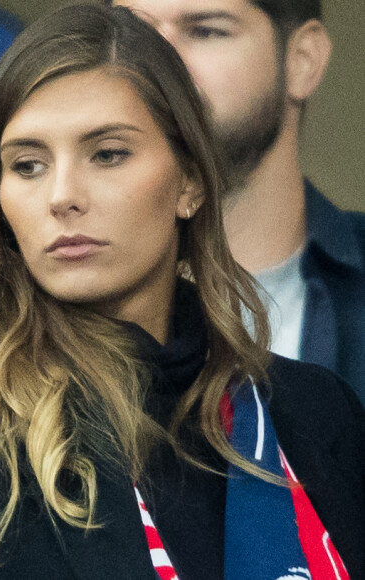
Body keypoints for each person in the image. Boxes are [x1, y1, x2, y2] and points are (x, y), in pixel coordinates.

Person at [0, 5, 365, 579]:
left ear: (191, 182)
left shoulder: (312, 415)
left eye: (107, 154)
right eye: (27, 164)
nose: (62, 195)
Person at [108, 0, 365, 405]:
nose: (158, 64)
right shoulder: (28, 297)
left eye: (206, 30)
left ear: (303, 60)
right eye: (136, 31)